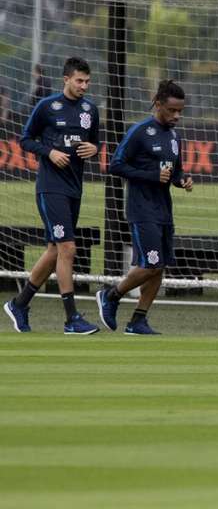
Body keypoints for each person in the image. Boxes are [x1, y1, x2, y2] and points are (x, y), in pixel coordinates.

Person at [4, 57, 101, 334]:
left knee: (54, 250)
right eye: (79, 80)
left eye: (87, 81)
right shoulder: (47, 107)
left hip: (74, 187)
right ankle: (72, 319)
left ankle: (19, 304)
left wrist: (94, 149)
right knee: (68, 249)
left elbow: (94, 142)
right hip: (50, 187)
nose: (84, 85)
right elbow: (25, 139)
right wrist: (49, 152)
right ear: (66, 79)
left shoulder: (90, 110)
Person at [95, 80, 194, 335]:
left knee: (159, 266)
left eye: (180, 111)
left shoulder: (174, 136)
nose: (177, 116)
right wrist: (151, 175)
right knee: (150, 264)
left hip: (163, 209)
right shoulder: (140, 132)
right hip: (141, 209)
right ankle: (111, 295)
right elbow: (115, 165)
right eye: (172, 110)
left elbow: (175, 170)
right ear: (158, 104)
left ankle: (138, 319)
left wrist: (182, 179)